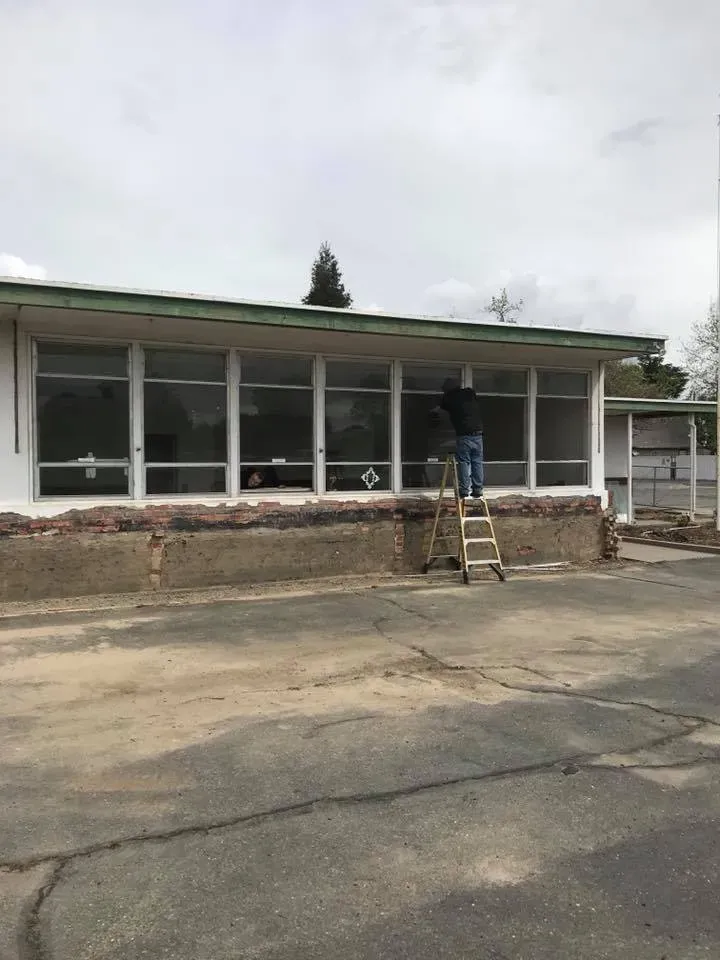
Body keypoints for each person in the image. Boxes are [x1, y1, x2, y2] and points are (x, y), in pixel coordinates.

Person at [439, 378, 484, 499]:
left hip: (464, 434)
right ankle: (478, 489)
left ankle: (464, 490)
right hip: (478, 433)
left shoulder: (449, 399)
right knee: (477, 461)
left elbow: (442, 408)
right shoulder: (469, 392)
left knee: (464, 461)